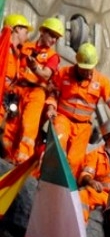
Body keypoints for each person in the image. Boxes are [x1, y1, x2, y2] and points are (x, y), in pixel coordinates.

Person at [46, 42, 110, 178]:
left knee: (75, 161)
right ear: (77, 63)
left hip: (83, 126)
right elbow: (52, 92)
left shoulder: (101, 81)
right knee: (57, 148)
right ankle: (42, 178)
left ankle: (65, 190)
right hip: (63, 118)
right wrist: (51, 107)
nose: (86, 72)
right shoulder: (64, 73)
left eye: (89, 69)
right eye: (83, 68)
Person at [14, 17, 63, 163]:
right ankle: (6, 156)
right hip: (18, 89)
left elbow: (46, 74)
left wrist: (35, 67)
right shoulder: (26, 47)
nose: (54, 40)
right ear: (43, 32)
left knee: (29, 125)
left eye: (57, 38)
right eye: (52, 35)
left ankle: (22, 160)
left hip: (37, 93)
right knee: (12, 124)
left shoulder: (53, 56)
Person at [0, 13, 32, 161]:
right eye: (26, 31)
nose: (27, 35)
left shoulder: (17, 54)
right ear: (17, 29)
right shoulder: (2, 49)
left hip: (5, 101)